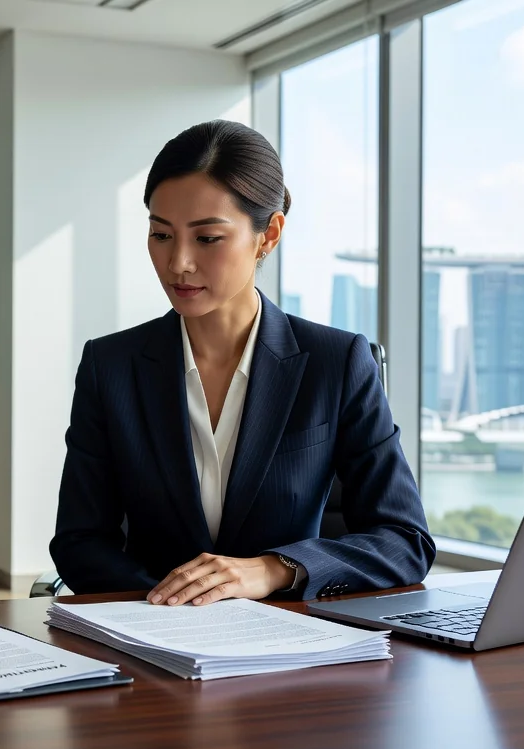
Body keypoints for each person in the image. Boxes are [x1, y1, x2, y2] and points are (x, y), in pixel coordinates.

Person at [50, 120, 434, 605]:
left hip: (292, 637)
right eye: (161, 234)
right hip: (153, 628)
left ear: (268, 234)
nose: (178, 263)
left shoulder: (337, 364)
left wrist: (274, 569)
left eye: (207, 238)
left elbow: (404, 540)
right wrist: (178, 604)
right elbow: (80, 542)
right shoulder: (110, 367)